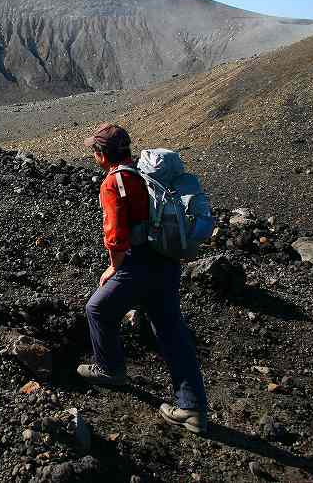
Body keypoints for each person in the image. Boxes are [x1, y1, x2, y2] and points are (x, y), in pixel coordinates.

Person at [76, 122, 210, 434]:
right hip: (165, 261)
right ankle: (192, 408)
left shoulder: (114, 182)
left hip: (138, 263)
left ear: (101, 154)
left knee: (98, 310)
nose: (93, 156)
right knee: (170, 330)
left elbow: (115, 234)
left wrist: (114, 266)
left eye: (94, 151)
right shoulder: (142, 173)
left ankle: (111, 370)